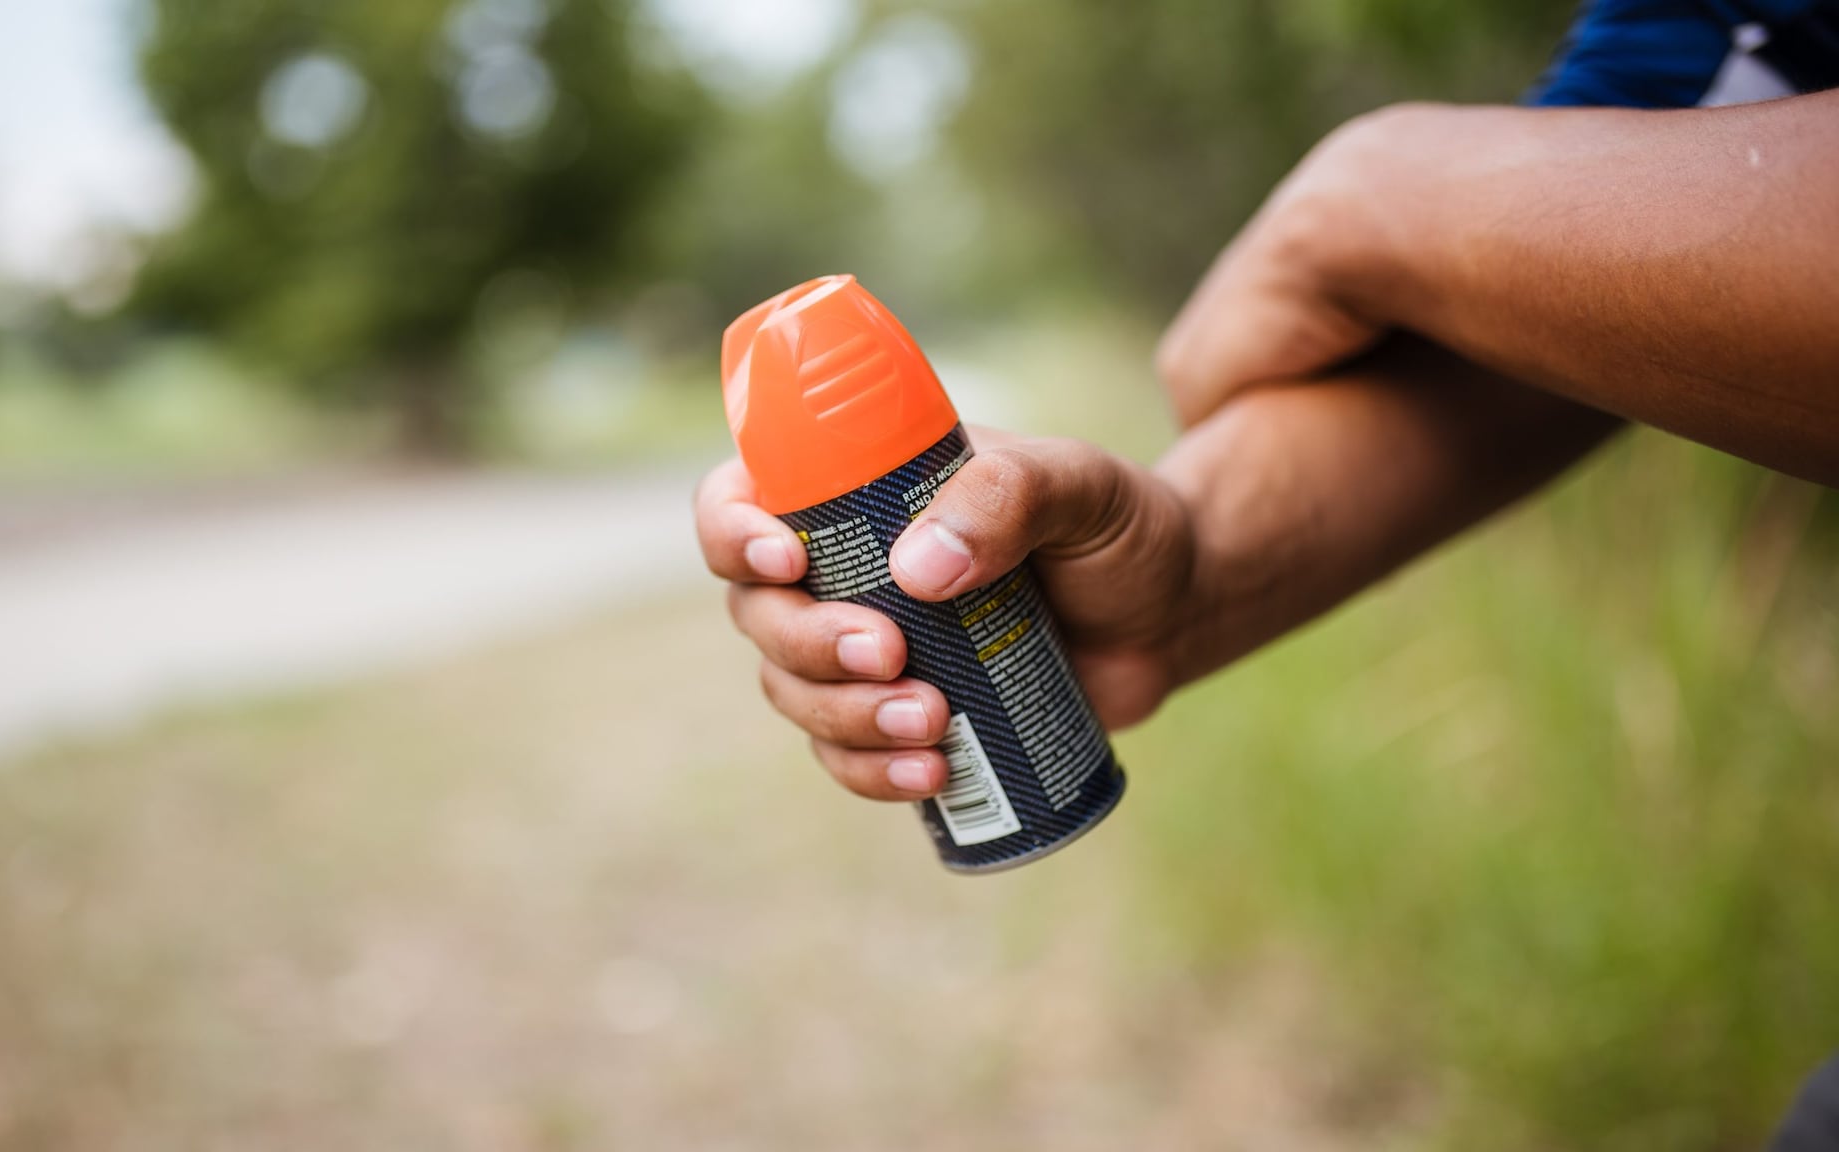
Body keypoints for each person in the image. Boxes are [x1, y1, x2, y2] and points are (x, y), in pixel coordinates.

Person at [695, 1, 1839, 1145]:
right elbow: (1593, 302)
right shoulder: (1726, 32)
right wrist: (1190, 564)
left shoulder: (1390, 202)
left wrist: (1387, 201)